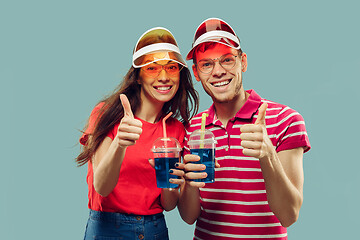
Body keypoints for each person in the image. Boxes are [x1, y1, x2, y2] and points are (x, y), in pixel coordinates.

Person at [177, 18, 311, 240]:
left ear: (243, 62)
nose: (218, 72)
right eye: (207, 64)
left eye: (227, 60)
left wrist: (267, 154)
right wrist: (191, 185)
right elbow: (189, 217)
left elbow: (289, 215)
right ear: (197, 73)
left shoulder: (286, 120)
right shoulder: (192, 129)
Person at [76, 27, 198, 240]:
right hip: (107, 229)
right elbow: (102, 187)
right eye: (152, 68)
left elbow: (168, 205)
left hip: (155, 229)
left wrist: (170, 182)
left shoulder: (176, 130)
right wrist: (119, 144)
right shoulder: (106, 114)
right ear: (138, 77)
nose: (163, 77)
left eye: (171, 68)